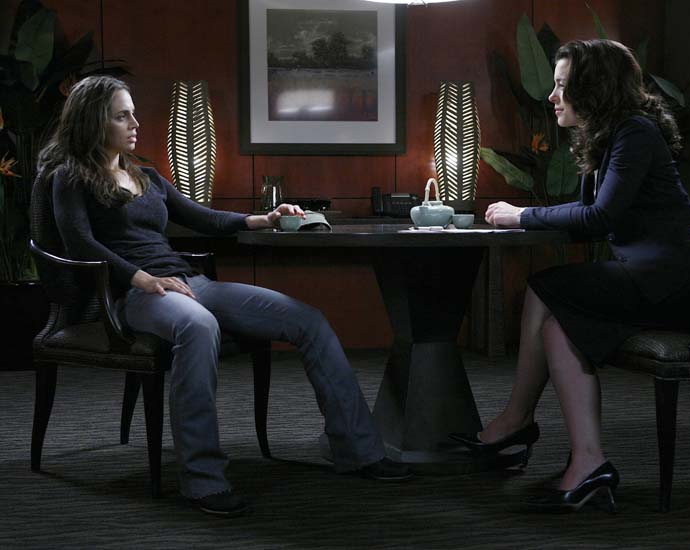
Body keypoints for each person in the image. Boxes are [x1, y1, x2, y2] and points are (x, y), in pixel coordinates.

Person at [37, 75, 411, 518]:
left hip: (191, 283)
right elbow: (80, 243)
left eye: (133, 113)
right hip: (136, 296)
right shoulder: (70, 178)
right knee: (199, 326)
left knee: (307, 320)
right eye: (123, 116)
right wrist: (142, 279)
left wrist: (264, 218)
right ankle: (203, 479)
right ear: (94, 121)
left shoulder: (146, 176)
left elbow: (205, 218)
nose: (135, 123)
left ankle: (359, 451)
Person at [450, 40, 690, 512]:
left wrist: (523, 216)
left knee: (546, 288)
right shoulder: (608, 136)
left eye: (562, 86)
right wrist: (528, 216)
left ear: (594, 88)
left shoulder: (635, 132)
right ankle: (588, 462)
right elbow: (589, 214)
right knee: (558, 329)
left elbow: (599, 217)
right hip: (656, 276)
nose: (552, 97)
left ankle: (516, 420)